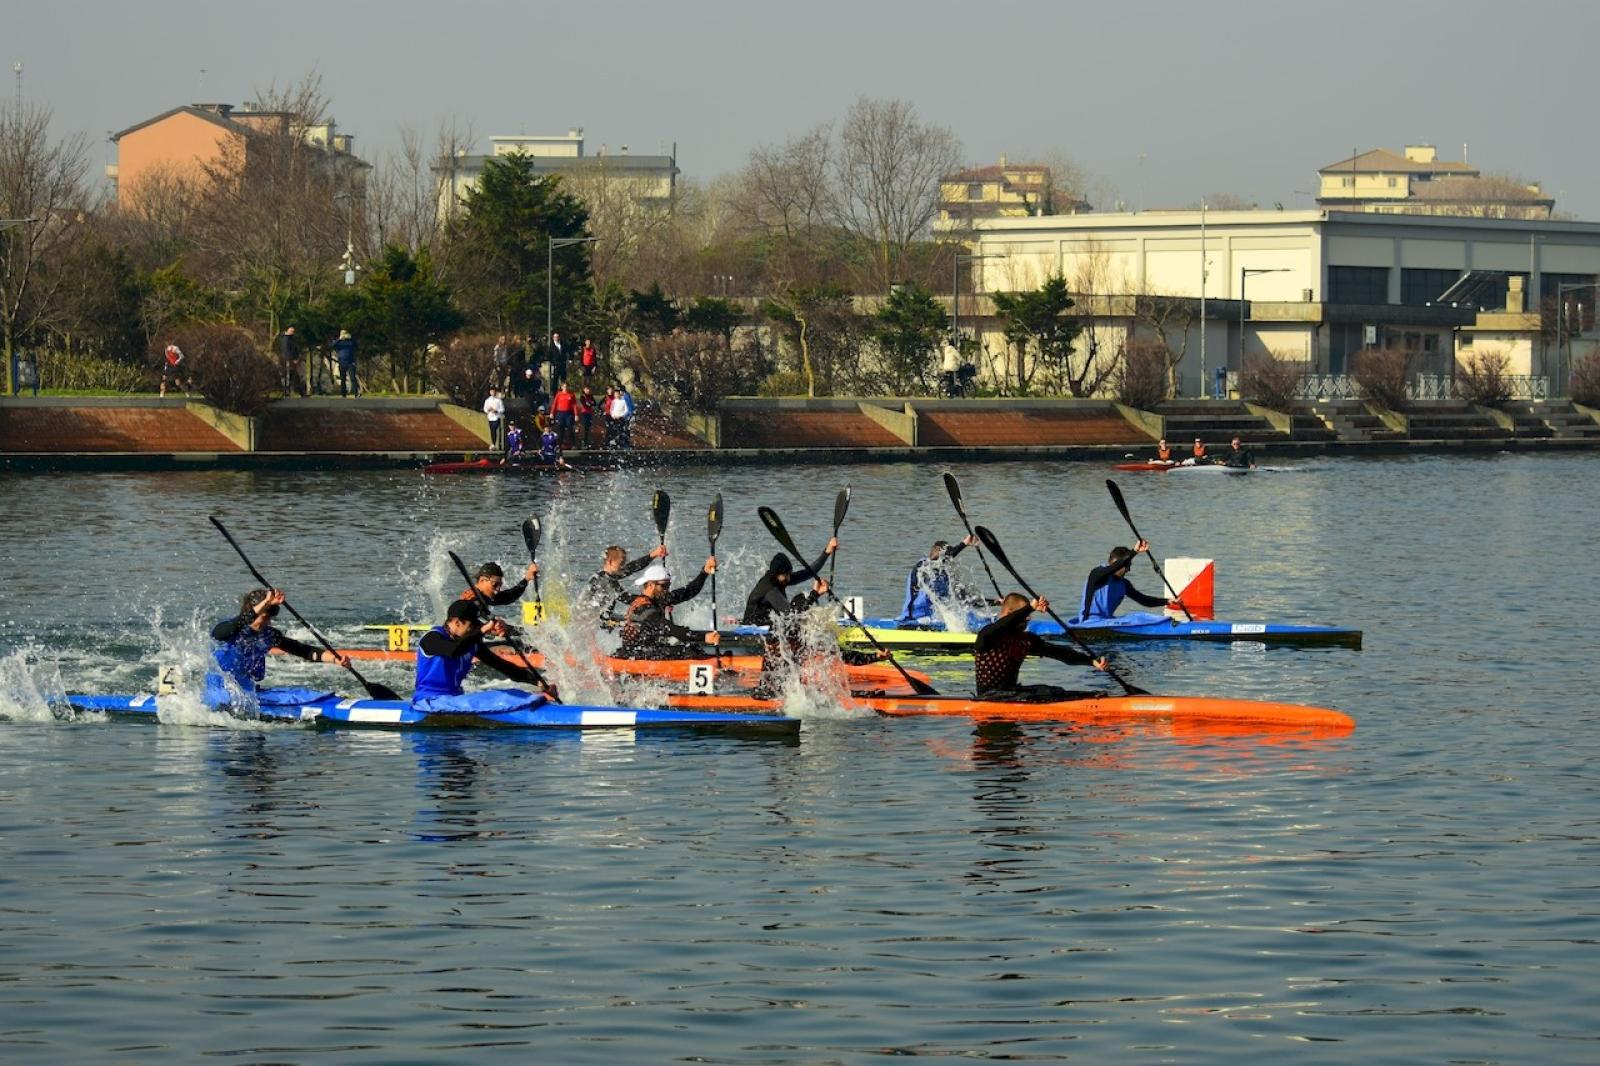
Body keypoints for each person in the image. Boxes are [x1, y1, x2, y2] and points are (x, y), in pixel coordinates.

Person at [209, 588, 347, 700]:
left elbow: (303, 650)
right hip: (218, 689)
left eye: (270, 618)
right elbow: (236, 623)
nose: (268, 622)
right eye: (265, 617)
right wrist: (266, 602)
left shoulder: (269, 635)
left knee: (299, 695)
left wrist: (335, 659)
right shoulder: (227, 629)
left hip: (247, 690)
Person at [974, 593, 1106, 701]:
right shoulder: (988, 636)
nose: (1028, 619)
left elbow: (1059, 653)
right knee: (1042, 696)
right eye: (1024, 616)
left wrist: (1091, 661)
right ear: (1010, 613)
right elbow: (1001, 625)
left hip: (1012, 693)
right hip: (989, 697)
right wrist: (1030, 608)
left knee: (1052, 691)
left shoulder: (1025, 640)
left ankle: (1093, 698)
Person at [413, 599, 547, 702]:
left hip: (454, 699)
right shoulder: (432, 638)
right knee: (502, 699)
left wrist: (538, 682)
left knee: (514, 695)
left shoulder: (471, 643)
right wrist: (482, 630)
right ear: (457, 622)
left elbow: (503, 666)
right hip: (428, 700)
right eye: (472, 626)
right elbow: (453, 651)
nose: (474, 630)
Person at [618, 561, 720, 659]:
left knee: (693, 647)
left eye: (668, 585)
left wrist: (704, 572)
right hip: (634, 653)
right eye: (664, 586)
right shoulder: (643, 607)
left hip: (650, 648)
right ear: (650, 585)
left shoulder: (659, 598)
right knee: (688, 650)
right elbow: (669, 628)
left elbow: (688, 591)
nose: (667, 590)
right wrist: (703, 637)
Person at [1075, 540, 1168, 622]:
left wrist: (1167, 601)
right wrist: (1134, 551)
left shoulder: (1124, 584)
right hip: (1088, 622)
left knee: (1137, 616)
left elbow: (1144, 600)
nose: (1129, 570)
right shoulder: (1097, 574)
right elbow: (1114, 567)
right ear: (1117, 564)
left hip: (1107, 621)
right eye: (1127, 566)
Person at [898, 535, 977, 624]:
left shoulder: (943, 574)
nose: (948, 560)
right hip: (915, 617)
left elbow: (961, 597)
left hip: (932, 616)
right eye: (946, 555)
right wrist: (964, 543)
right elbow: (943, 557)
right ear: (938, 551)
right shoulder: (922, 566)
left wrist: (988, 603)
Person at [582, 543, 669, 622]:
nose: (623, 567)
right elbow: (626, 598)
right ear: (610, 562)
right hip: (589, 621)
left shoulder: (607, 574)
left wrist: (653, 554)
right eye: (621, 564)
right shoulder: (606, 581)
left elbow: (633, 567)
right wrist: (657, 601)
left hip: (601, 617)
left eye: (624, 564)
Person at [459, 560, 540, 621]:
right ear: (482, 580)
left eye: (500, 585)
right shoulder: (471, 598)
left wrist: (527, 579)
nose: (498, 589)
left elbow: (508, 596)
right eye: (495, 585)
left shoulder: (486, 596)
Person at [332, 329, 359, 397]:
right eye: (342, 334)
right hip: (342, 363)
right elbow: (333, 345)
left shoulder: (350, 342)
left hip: (350, 362)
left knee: (352, 378)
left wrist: (351, 338)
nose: (344, 335)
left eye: (345, 333)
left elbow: (356, 346)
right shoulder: (339, 343)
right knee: (343, 379)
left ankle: (356, 392)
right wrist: (339, 339)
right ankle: (343, 394)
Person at [277, 325, 303, 396]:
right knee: (288, 375)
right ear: (287, 330)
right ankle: (286, 391)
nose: (293, 332)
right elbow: (287, 350)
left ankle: (296, 391)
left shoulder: (290, 338)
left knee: (292, 375)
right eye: (291, 331)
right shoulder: (285, 339)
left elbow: (294, 349)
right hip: (287, 359)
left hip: (290, 359)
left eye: (293, 331)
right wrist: (292, 359)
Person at [551, 380, 577, 448]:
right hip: (560, 413)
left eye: (566, 386)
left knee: (570, 427)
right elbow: (554, 404)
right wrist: (552, 413)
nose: (565, 388)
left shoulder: (571, 394)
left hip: (568, 413)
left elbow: (574, 405)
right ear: (561, 387)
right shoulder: (559, 394)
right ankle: (559, 444)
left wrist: (576, 415)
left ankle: (573, 444)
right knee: (560, 428)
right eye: (564, 386)